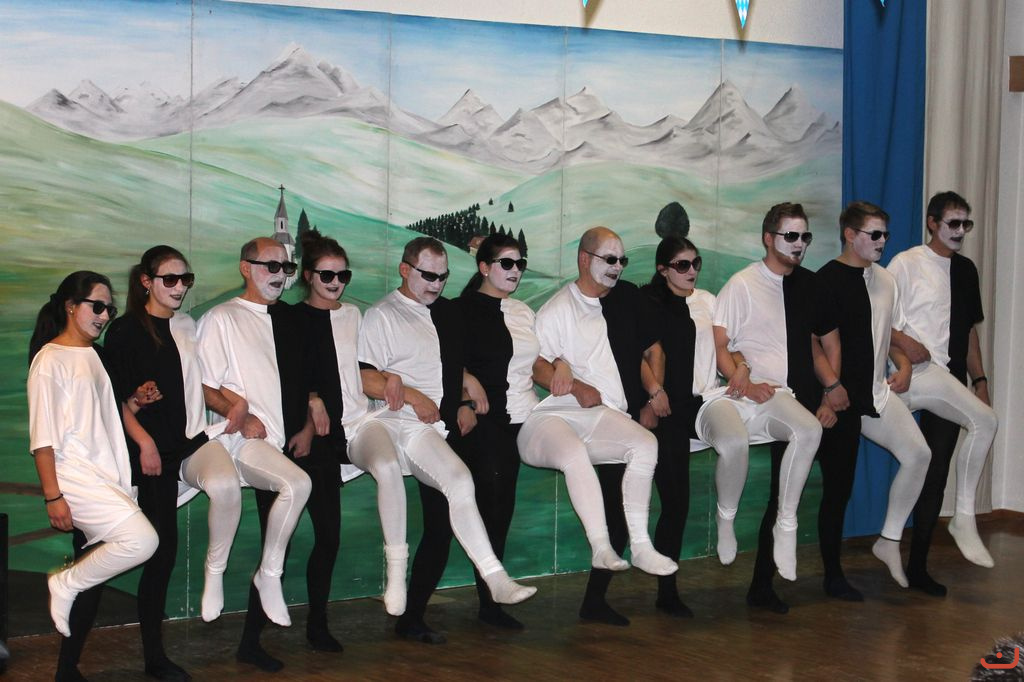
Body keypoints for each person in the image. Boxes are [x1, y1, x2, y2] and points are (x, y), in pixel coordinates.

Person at [359, 236, 535, 644]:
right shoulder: (382, 315)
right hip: (405, 429)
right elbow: (365, 376)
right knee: (439, 526)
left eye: (443, 277)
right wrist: (413, 395)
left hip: (447, 430)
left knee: (473, 502)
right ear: (405, 270)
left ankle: (489, 595)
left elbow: (451, 365)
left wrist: (464, 394)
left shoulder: (448, 312)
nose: (436, 284)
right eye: (427, 275)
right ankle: (410, 612)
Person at [103, 246, 243, 680]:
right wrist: (143, 438)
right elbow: (115, 402)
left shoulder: (186, 325)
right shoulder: (124, 331)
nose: (179, 287)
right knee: (160, 553)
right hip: (150, 455)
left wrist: (235, 406)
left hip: (189, 444)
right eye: (170, 279)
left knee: (225, 487)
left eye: (186, 279)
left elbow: (199, 384)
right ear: (146, 281)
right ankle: (154, 656)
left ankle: (214, 575)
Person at [528, 226, 677, 626]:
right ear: (584, 259)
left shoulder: (626, 297)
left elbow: (647, 352)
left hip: (620, 417)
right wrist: (573, 384)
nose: (617, 267)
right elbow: (536, 364)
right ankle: (597, 595)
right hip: (580, 419)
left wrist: (652, 396)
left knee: (640, 466)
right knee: (613, 509)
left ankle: (628, 562)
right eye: (609, 259)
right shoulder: (559, 309)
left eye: (622, 260)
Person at [27, 272, 159, 680]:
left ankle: (67, 667)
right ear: (71, 306)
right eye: (96, 306)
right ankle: (64, 584)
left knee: (109, 563)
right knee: (142, 540)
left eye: (109, 309)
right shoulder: (50, 359)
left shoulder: (95, 356)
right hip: (75, 478)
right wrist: (53, 496)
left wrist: (134, 402)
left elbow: (103, 418)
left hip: (108, 478)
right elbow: (43, 439)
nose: (104, 315)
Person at [196, 237, 313, 671]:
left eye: (286, 267)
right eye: (270, 266)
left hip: (280, 443)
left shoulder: (289, 320)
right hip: (239, 440)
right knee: (297, 485)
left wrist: (306, 425)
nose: (280, 275)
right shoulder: (221, 317)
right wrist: (240, 416)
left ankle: (254, 630)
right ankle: (246, 576)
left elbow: (303, 382)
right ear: (245, 267)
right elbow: (203, 385)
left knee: (281, 526)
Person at [291, 228, 409, 649]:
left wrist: (391, 377)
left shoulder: (355, 316)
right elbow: (285, 377)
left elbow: (364, 368)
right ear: (308, 276)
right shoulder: (291, 320)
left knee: (330, 536)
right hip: (314, 438)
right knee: (307, 536)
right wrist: (312, 399)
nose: (336, 282)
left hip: (355, 427)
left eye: (343, 275)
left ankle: (318, 623)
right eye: (327, 275)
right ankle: (279, 627)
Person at [811, 201, 932, 597]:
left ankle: (889, 539)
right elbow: (813, 344)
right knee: (838, 490)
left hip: (876, 395)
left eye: (885, 234)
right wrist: (828, 393)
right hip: (840, 399)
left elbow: (885, 333)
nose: (882, 241)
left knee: (919, 454)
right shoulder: (825, 281)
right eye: (874, 234)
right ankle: (832, 575)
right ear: (850, 235)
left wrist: (904, 364)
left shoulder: (886, 280)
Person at [712, 203, 825, 613]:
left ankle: (785, 533)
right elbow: (720, 345)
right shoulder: (743, 284)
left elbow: (821, 344)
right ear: (768, 238)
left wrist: (830, 391)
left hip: (798, 397)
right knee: (761, 460)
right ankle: (757, 570)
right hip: (758, 397)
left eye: (804, 237)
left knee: (809, 436)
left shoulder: (807, 285)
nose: (799, 244)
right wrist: (741, 376)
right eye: (790, 236)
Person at [888, 191, 999, 593]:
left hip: (946, 379)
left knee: (935, 471)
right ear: (932, 223)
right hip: (902, 374)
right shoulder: (905, 263)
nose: (960, 231)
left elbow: (968, 332)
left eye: (965, 224)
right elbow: (879, 319)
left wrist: (980, 381)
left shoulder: (966, 270)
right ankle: (880, 545)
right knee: (908, 458)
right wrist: (904, 348)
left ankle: (918, 566)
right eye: (953, 223)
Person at [641, 235, 706, 617]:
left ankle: (667, 589)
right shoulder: (648, 304)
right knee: (638, 506)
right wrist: (651, 399)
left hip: (679, 413)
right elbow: (637, 354)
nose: (691, 271)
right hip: (653, 413)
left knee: (677, 504)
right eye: (683, 265)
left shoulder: (687, 306)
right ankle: (598, 597)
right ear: (663, 269)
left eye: (696, 263)